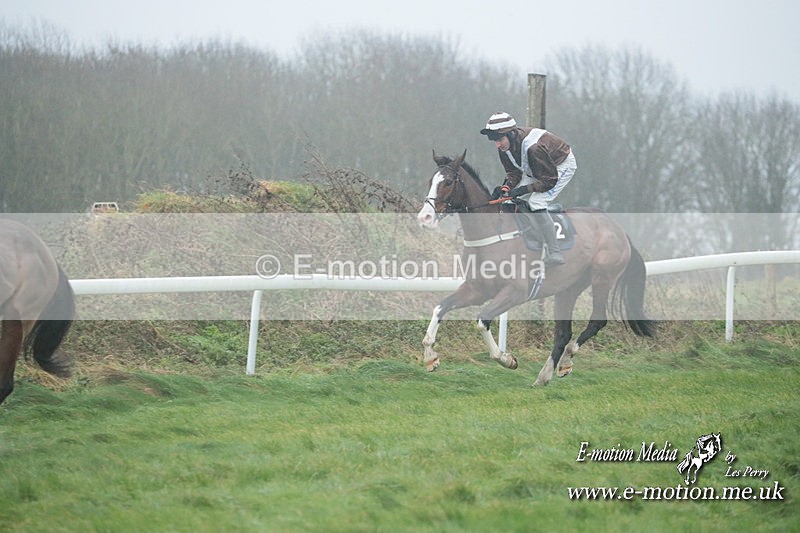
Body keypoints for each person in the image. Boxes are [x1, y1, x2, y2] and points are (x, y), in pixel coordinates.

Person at [480, 111, 576, 265]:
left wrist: (522, 190)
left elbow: (548, 181)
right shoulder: (504, 148)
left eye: (499, 139)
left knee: (536, 202)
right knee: (508, 201)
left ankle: (554, 251)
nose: (497, 145)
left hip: (559, 167)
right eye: (494, 140)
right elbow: (513, 173)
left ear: (511, 134)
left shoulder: (534, 147)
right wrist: (506, 188)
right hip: (536, 167)